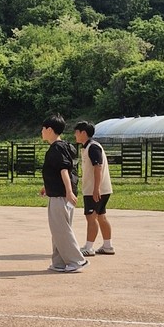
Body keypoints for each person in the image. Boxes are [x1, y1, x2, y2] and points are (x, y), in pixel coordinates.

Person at [39, 113, 86, 273]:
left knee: (61, 229)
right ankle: (59, 262)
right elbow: (57, 171)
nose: (41, 131)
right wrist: (47, 186)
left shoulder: (56, 148)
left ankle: (77, 261)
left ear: (50, 130)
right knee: (59, 229)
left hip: (61, 195)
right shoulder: (63, 146)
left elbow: (64, 170)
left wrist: (68, 192)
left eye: (43, 129)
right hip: (60, 194)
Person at [74, 120, 115, 257]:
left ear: (83, 133)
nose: (75, 135)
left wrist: (96, 189)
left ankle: (89, 247)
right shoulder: (89, 147)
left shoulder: (93, 147)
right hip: (101, 189)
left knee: (91, 217)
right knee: (101, 216)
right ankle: (108, 246)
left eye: (76, 132)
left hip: (95, 189)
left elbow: (98, 167)